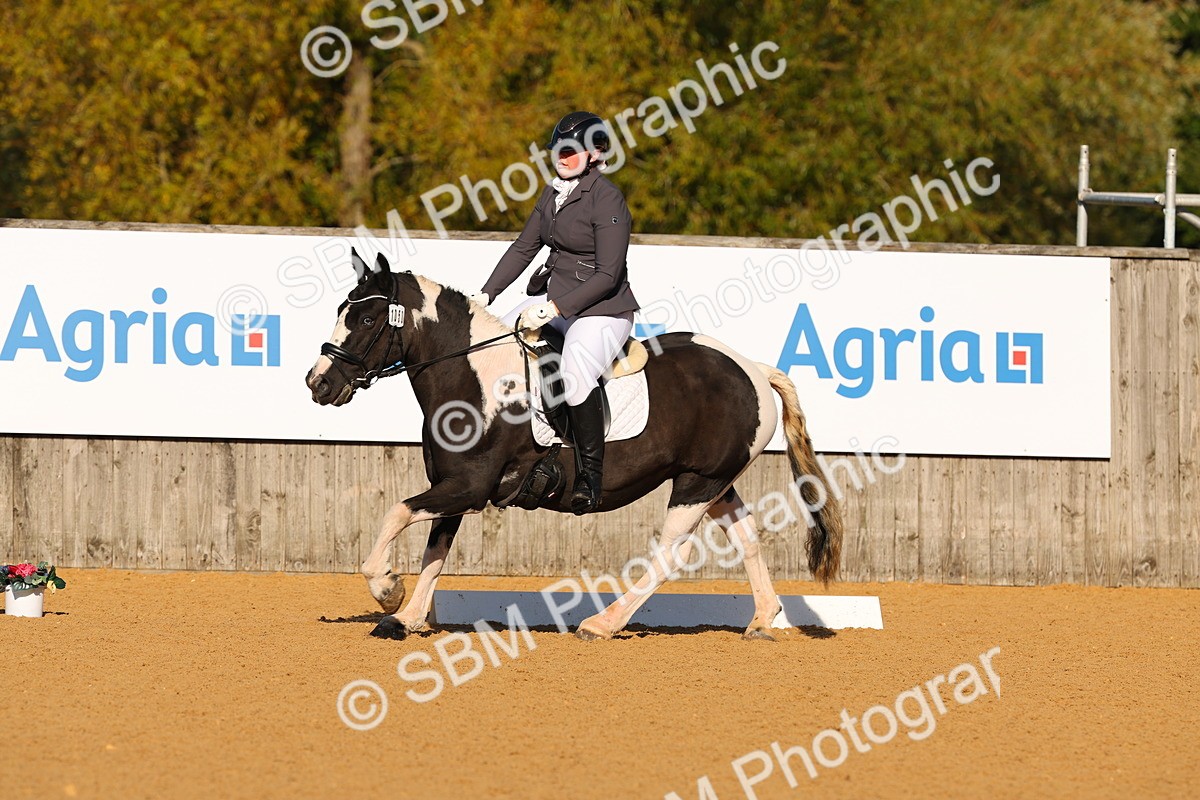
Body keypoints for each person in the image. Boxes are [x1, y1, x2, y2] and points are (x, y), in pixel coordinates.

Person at [472, 111, 639, 515]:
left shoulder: (607, 197)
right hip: (557, 302)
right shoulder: (552, 194)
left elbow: (609, 273)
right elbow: (523, 248)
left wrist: (554, 308)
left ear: (596, 153)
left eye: (570, 151)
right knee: (498, 340)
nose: (560, 158)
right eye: (557, 150)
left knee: (576, 372)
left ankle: (590, 476)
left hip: (602, 311)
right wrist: (485, 294)